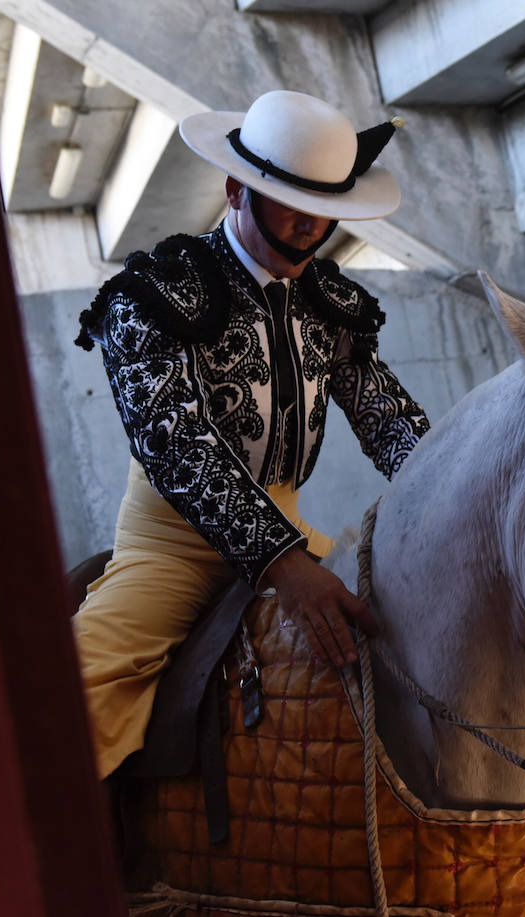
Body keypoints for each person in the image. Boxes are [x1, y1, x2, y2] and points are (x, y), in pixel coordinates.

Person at [71, 90, 430, 780]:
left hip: (296, 528)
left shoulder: (333, 306)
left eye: (324, 210)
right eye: (291, 204)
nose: (309, 227)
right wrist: (285, 564)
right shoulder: (149, 297)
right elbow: (175, 445)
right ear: (235, 188)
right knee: (62, 711)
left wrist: (462, 493)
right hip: (170, 551)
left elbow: (387, 421)